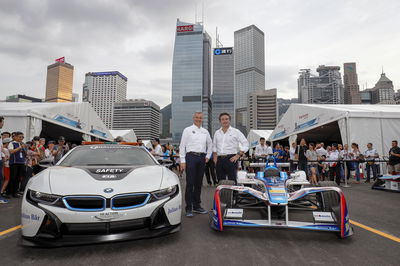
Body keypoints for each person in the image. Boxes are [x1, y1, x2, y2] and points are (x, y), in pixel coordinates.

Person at [179, 112, 212, 217]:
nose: (198, 119)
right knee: (190, 184)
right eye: (197, 117)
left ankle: (197, 206)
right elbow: (182, 146)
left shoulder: (205, 131)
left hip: (201, 158)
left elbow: (210, 144)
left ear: (202, 119)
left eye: (200, 118)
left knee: (198, 183)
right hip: (191, 157)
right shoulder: (187, 130)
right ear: (193, 118)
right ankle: (189, 208)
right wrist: (182, 161)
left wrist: (208, 156)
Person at [213, 113, 249, 184]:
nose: (225, 121)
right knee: (220, 182)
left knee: (232, 181)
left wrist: (238, 155)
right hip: (219, 160)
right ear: (220, 121)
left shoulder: (236, 132)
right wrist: (215, 159)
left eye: (226, 119)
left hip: (231, 159)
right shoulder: (217, 133)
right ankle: (222, 195)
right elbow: (214, 147)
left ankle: (234, 195)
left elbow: (246, 144)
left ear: (230, 120)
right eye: (222, 119)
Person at [7, 131, 27, 198]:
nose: (21, 138)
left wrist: (24, 149)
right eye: (19, 137)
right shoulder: (12, 143)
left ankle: (15, 192)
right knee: (12, 178)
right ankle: (8, 192)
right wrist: (20, 147)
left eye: (22, 137)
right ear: (15, 137)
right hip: (14, 163)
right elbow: (11, 151)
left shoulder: (22, 144)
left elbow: (25, 154)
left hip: (21, 163)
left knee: (18, 178)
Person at [0, 117, 8, 203]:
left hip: (0, 159)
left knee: (1, 178)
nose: (3, 124)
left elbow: (0, 147)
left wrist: (3, 155)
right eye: (2, 122)